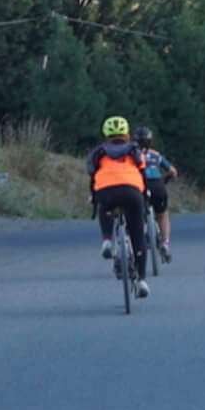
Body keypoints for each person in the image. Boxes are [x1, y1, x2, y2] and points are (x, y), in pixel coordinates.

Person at [85, 116, 152, 298]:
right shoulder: (133, 149)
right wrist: (144, 195)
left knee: (104, 206)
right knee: (138, 235)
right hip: (132, 190)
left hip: (106, 190)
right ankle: (142, 281)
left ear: (106, 134)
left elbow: (91, 172)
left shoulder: (99, 151)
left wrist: (94, 197)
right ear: (127, 134)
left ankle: (107, 239)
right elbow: (142, 171)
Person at [137, 126, 178, 259]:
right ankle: (165, 243)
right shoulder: (156, 155)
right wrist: (166, 179)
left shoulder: (132, 154)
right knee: (162, 214)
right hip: (157, 185)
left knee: (136, 214)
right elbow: (173, 171)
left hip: (139, 186)